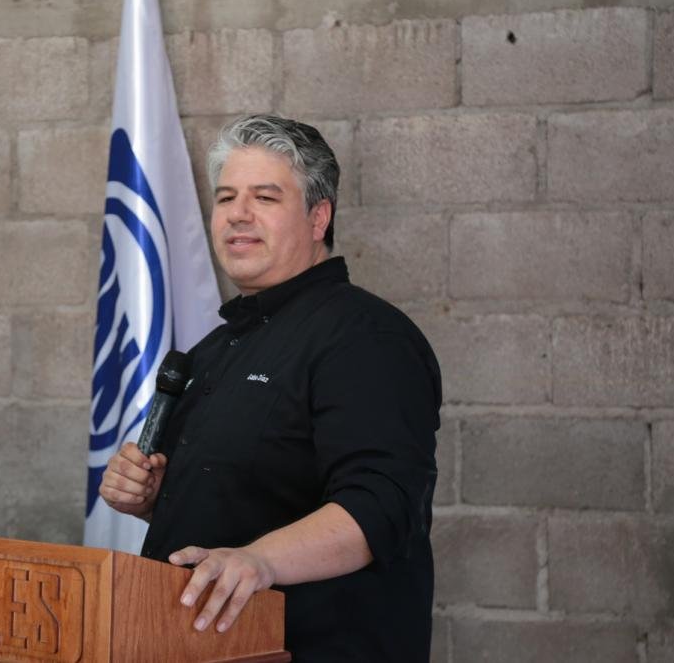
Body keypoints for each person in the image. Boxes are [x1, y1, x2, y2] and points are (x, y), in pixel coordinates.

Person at [99, 114, 441, 661]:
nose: (238, 213)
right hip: (194, 646)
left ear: (318, 217)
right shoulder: (215, 349)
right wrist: (154, 499)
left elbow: (381, 505)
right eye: (226, 197)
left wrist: (262, 561)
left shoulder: (366, 337)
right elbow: (250, 496)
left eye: (265, 197)